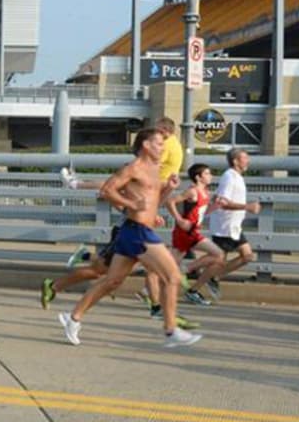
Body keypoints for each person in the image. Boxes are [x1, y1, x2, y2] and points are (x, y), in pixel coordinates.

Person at [57, 128, 201, 348]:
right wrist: (132, 204)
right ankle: (171, 330)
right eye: (159, 144)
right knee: (172, 276)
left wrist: (167, 191)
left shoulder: (155, 169)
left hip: (137, 230)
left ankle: (73, 317)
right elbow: (107, 190)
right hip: (138, 232)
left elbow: (153, 204)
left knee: (111, 282)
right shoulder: (133, 168)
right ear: (145, 145)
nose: (163, 148)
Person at [200, 148, 260, 299]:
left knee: (246, 256)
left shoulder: (236, 177)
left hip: (233, 226)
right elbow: (223, 203)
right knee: (218, 260)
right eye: (245, 158)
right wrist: (248, 207)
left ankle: (211, 278)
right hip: (225, 226)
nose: (248, 161)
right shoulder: (229, 177)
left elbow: (218, 198)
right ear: (235, 161)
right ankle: (194, 285)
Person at [165, 163, 226, 306]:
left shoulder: (205, 192)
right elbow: (170, 201)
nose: (211, 176)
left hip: (192, 231)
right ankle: (186, 272)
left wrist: (215, 207)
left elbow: (200, 213)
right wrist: (179, 220)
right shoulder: (192, 191)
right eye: (207, 173)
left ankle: (146, 292)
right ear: (198, 177)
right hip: (186, 232)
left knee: (169, 266)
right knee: (218, 254)